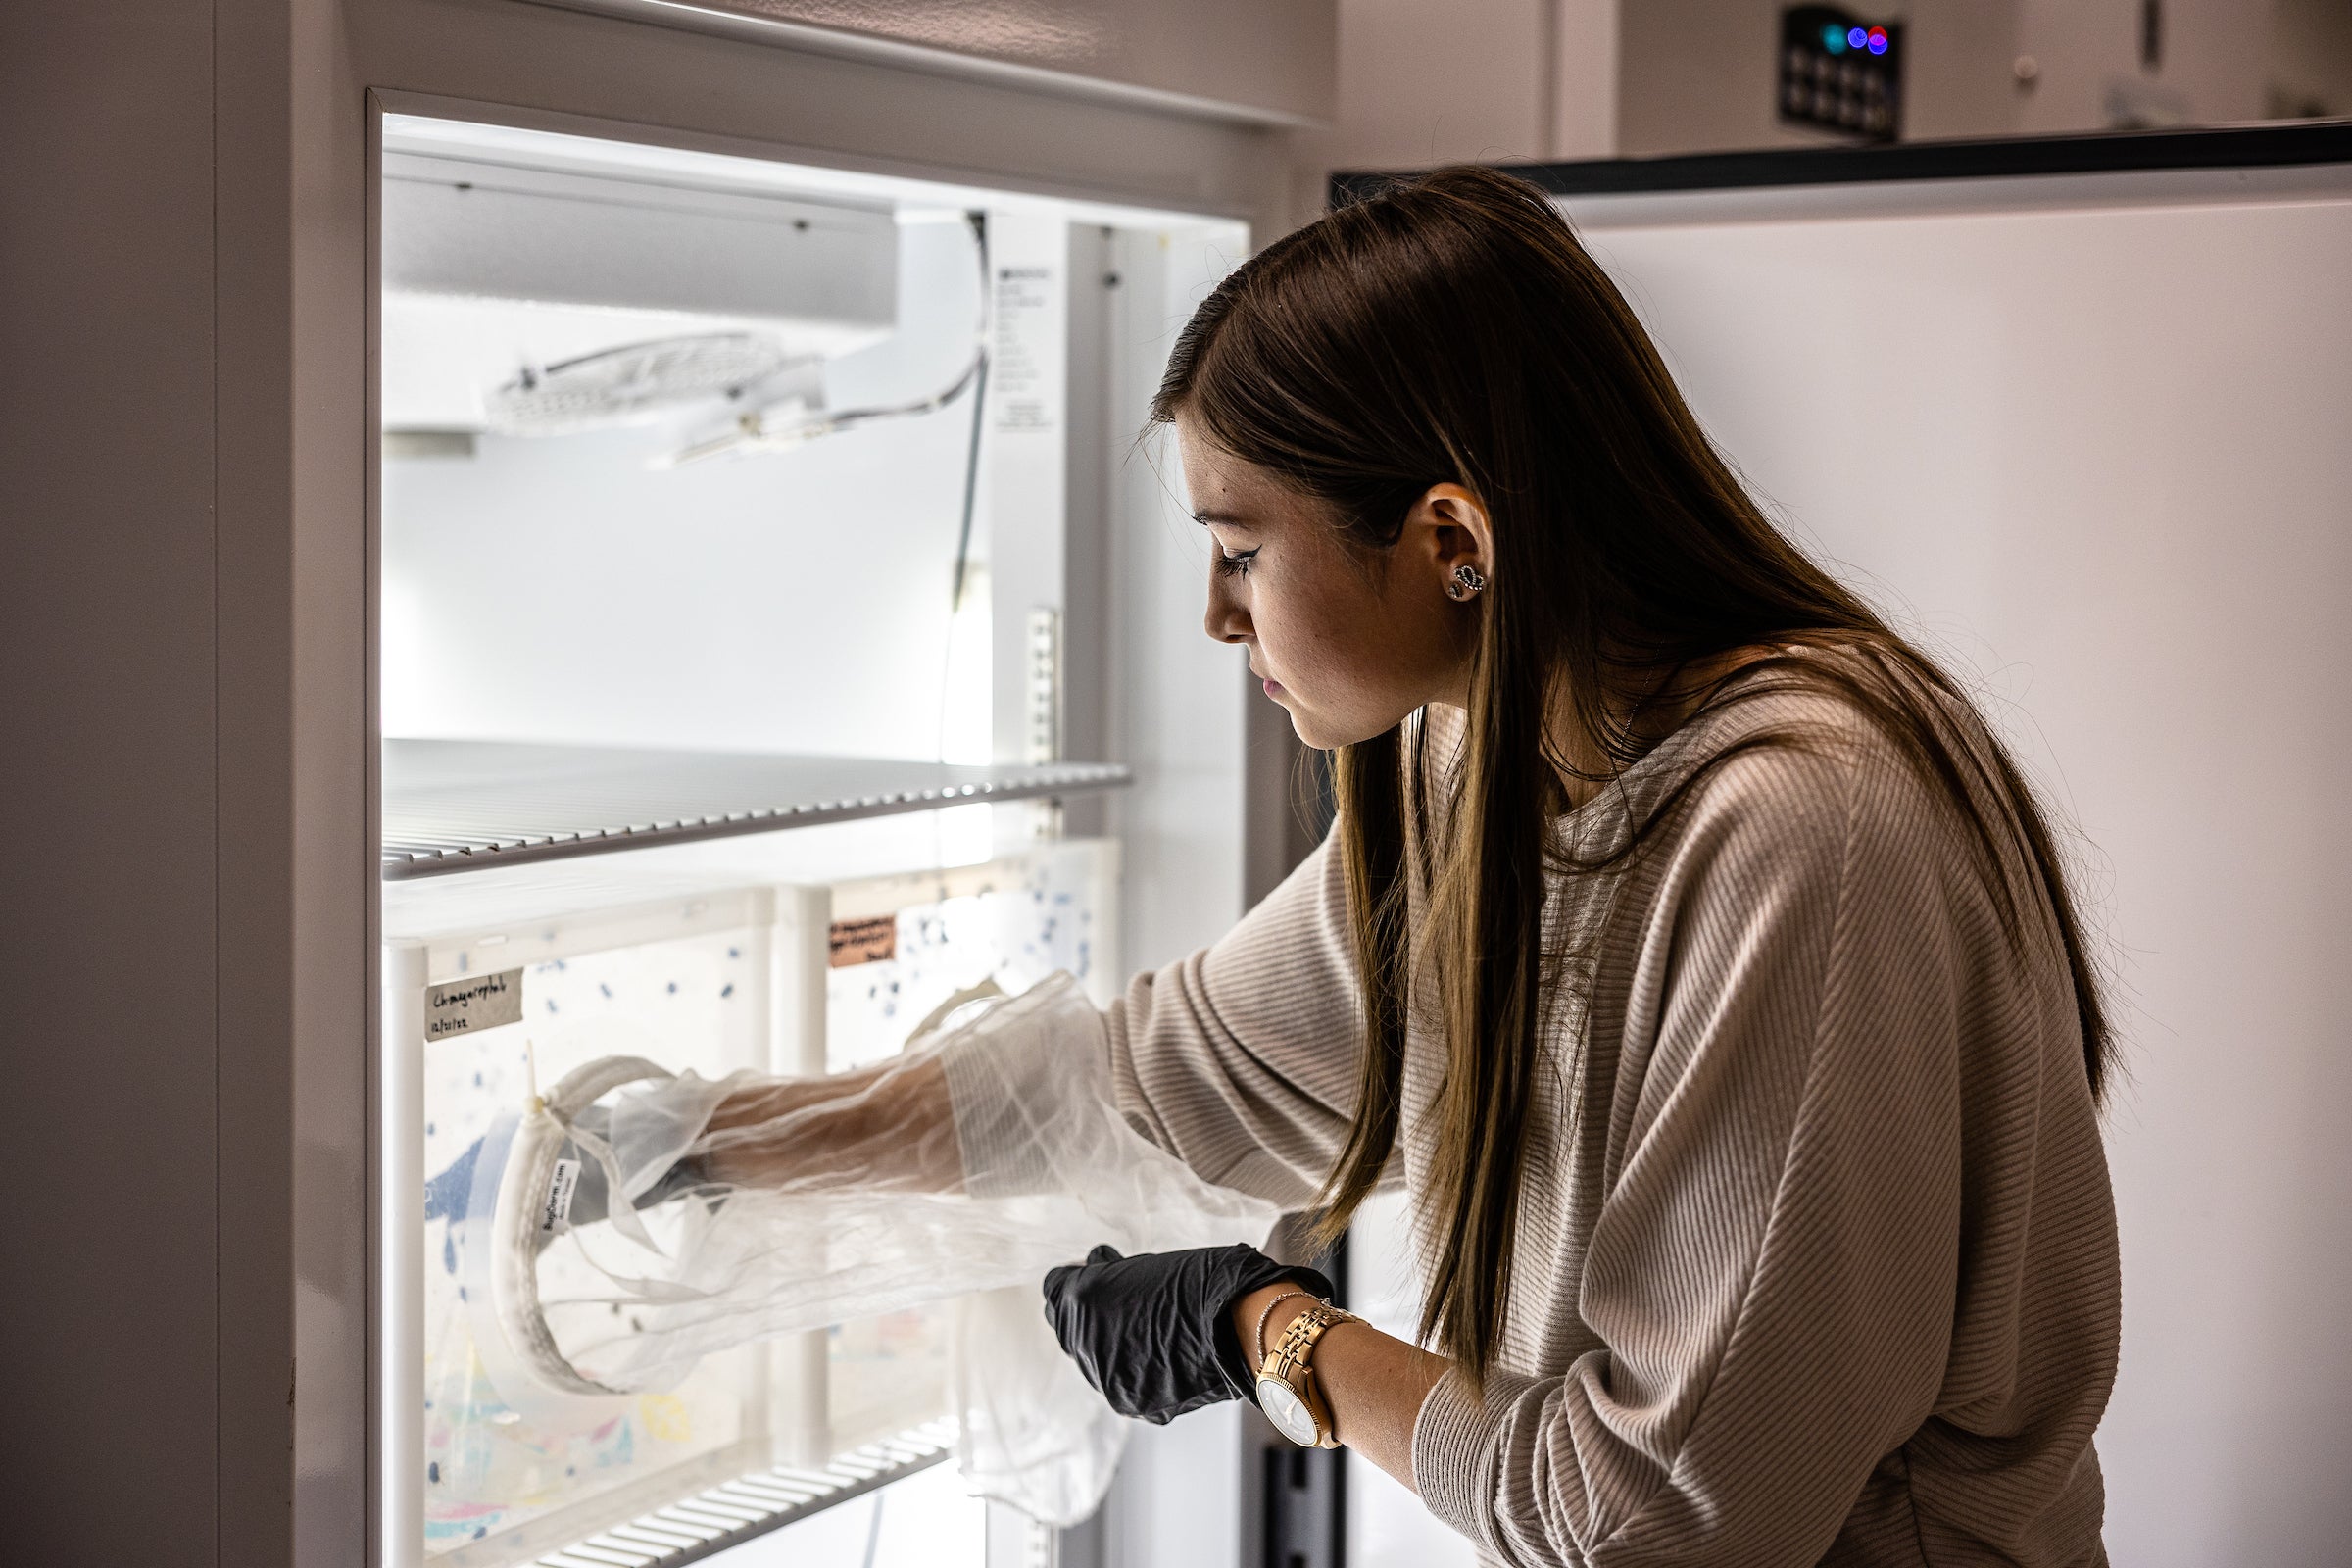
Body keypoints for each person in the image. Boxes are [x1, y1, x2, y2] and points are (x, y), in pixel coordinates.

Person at [717, 165, 2122, 1566]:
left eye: (1241, 548)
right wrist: (712, 1144)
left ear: (1450, 540)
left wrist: (1273, 1337)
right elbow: (1166, 1077)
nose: (1216, 616)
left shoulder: (1802, 832)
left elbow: (1663, 1525)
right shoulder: (1474, 753)